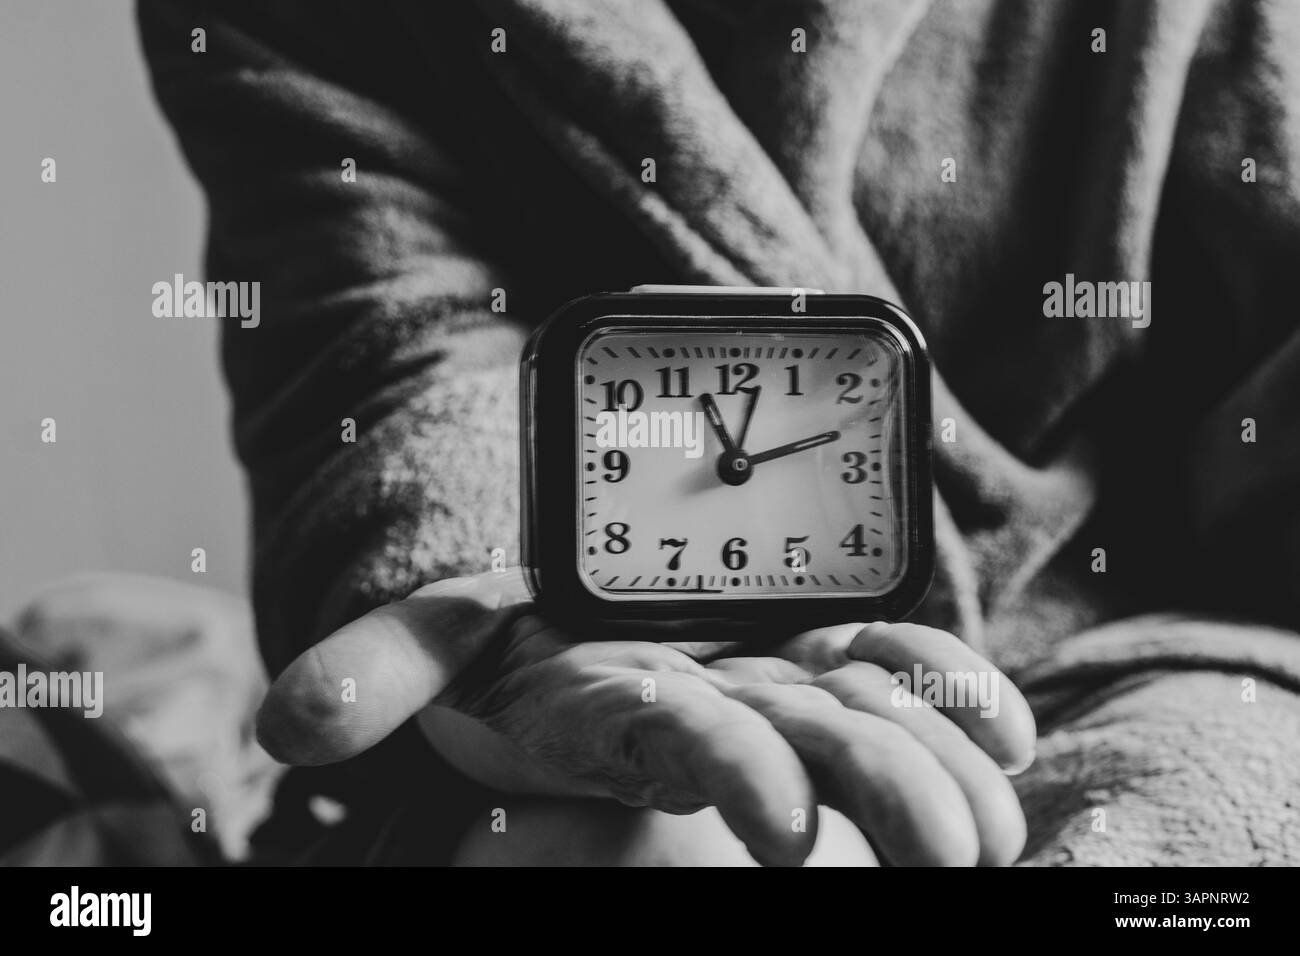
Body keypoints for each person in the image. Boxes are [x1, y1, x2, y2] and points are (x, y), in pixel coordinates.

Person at [137, 0, 1300, 865]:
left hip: (1143, 624)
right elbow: (406, 342)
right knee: (645, 851)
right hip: (604, 626)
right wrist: (490, 592)